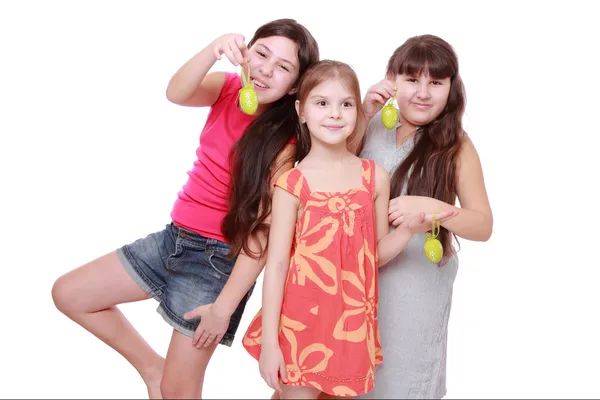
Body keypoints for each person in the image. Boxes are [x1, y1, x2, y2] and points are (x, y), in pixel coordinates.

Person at [51, 18, 319, 399]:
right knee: (70, 294)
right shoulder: (228, 88)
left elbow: (264, 233)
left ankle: (167, 378)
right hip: (173, 239)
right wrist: (213, 49)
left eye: (283, 67)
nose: (265, 69)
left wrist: (224, 307)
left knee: (180, 392)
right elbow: (177, 92)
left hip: (216, 261)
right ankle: (152, 368)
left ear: (294, 85)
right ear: (245, 53)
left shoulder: (287, 141)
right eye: (261, 53)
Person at [241, 60, 454, 399]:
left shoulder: (374, 177)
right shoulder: (292, 184)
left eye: (346, 104)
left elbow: (373, 254)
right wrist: (270, 344)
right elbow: (277, 264)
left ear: (357, 111)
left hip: (350, 328)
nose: (335, 114)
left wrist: (408, 230)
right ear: (302, 110)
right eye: (322, 103)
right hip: (299, 327)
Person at [356, 34, 493, 398]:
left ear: (451, 88)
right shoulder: (369, 126)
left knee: (401, 382)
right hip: (357, 276)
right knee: (351, 378)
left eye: (436, 82)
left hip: (415, 283)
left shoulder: (457, 146)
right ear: (391, 79)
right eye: (412, 79)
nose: (423, 92)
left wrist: (437, 210)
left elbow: (483, 225)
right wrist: (364, 112)